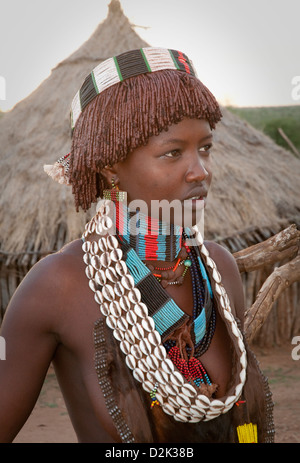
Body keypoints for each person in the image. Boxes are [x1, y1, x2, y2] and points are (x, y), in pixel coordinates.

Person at [0, 47, 274, 443]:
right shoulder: (58, 286)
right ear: (111, 164)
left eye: (206, 147)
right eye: (173, 153)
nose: (201, 170)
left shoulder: (218, 268)